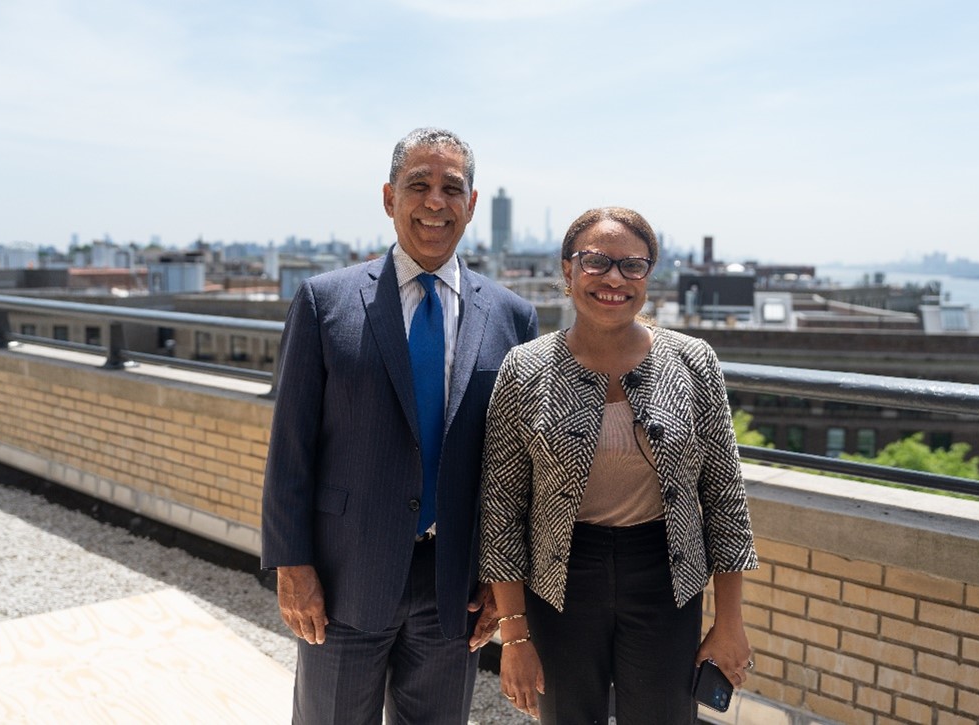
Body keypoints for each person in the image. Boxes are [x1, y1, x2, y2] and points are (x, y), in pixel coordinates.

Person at [261, 127, 539, 725]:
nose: (435, 202)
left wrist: (505, 581)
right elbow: (290, 449)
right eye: (419, 185)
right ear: (389, 198)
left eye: (451, 188)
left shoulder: (513, 317)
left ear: (471, 203)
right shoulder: (323, 302)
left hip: (456, 589)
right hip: (342, 580)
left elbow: (518, 468)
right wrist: (292, 563)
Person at [479, 207, 759, 724]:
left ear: (650, 275)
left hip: (666, 576)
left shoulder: (693, 361)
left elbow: (725, 501)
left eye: (633, 265)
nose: (614, 278)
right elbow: (502, 510)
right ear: (568, 270)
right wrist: (514, 634)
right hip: (560, 580)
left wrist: (730, 622)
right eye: (596, 261)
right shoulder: (525, 368)